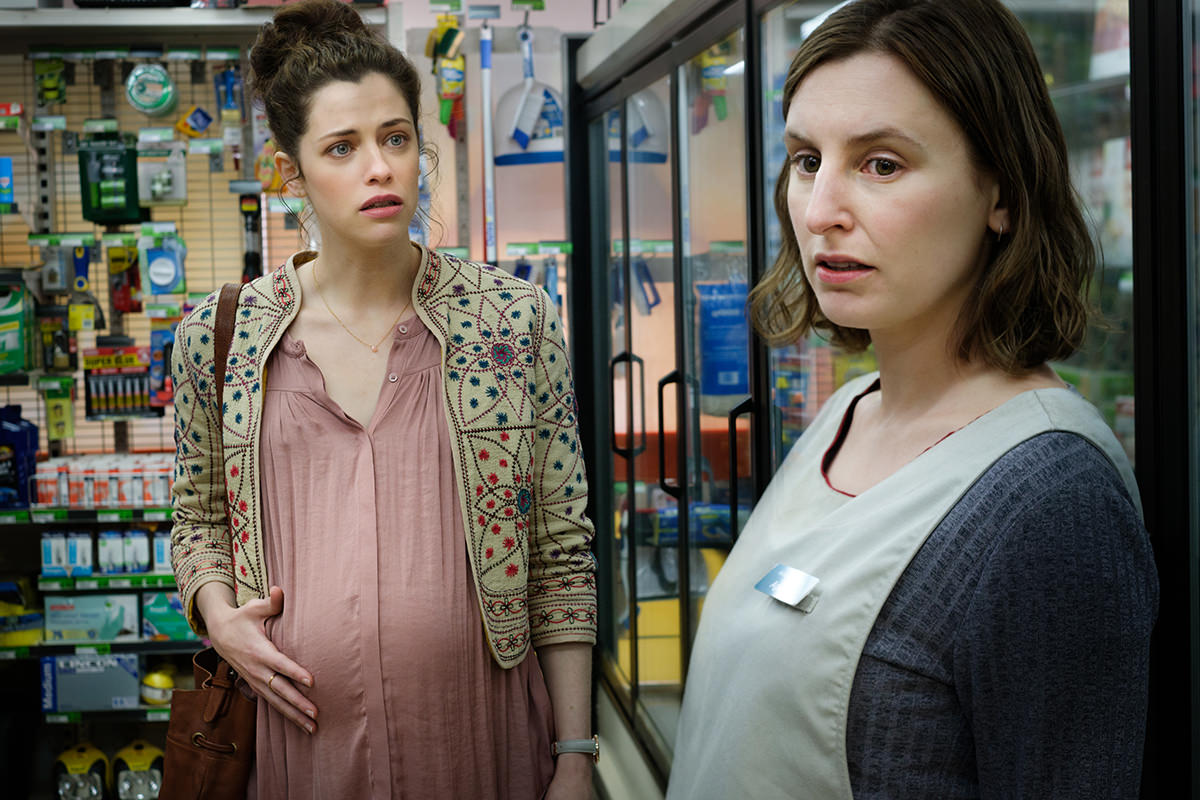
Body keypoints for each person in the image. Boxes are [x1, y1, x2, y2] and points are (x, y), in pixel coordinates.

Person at [667, 1, 1158, 798]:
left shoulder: (1053, 508)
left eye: (881, 164)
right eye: (804, 161)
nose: (820, 210)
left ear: (1001, 192)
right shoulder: (849, 410)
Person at [170, 1, 597, 796]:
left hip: (484, 735)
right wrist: (218, 616)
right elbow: (196, 519)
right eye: (344, 147)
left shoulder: (512, 322)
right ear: (290, 172)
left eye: (396, 138)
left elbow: (560, 554)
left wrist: (575, 753)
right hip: (302, 744)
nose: (381, 168)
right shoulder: (219, 338)